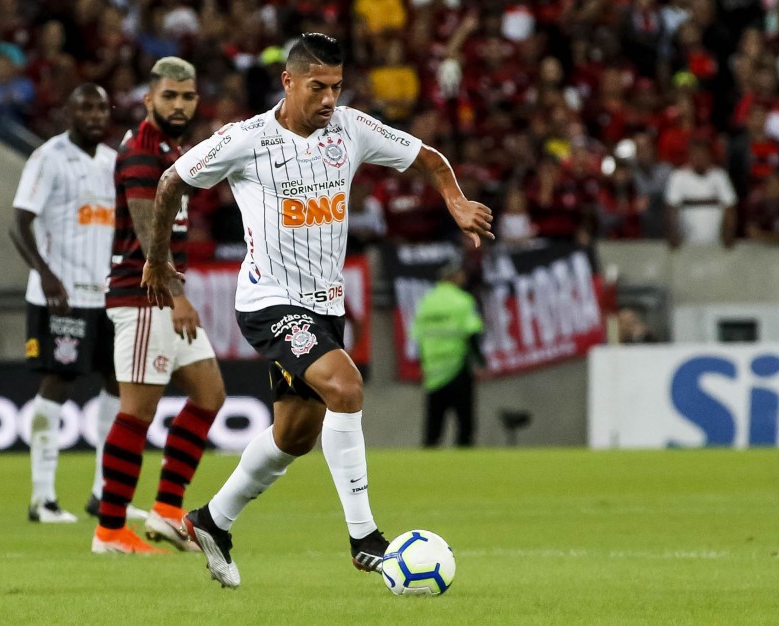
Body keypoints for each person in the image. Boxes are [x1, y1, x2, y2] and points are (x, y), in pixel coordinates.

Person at [141, 33, 494, 587]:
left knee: (294, 436)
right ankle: (364, 538)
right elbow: (169, 182)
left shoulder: (350, 129)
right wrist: (158, 261)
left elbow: (428, 157)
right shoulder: (246, 139)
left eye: (336, 86)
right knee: (346, 387)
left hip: (323, 307)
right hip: (269, 303)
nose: (330, 99)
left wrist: (454, 198)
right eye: (318, 87)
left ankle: (211, 519)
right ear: (288, 82)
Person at [90, 57, 226, 555]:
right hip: (144, 296)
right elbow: (151, 235)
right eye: (170, 96)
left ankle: (167, 513)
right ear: (149, 99)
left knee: (210, 394)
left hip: (161, 298)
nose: (179, 104)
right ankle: (109, 530)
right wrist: (179, 297)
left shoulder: (172, 148)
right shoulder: (143, 153)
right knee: (137, 413)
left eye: (187, 97)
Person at [9, 83, 134, 523]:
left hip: (106, 294)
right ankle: (42, 498)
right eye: (87, 107)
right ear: (69, 112)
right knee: (58, 383)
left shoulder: (112, 160)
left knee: (118, 382)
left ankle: (105, 493)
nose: (97, 115)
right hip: (60, 296)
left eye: (102, 107)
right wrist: (46, 274)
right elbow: (20, 222)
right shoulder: (48, 158)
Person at [411, 261, 485, 448]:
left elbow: (418, 337)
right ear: (454, 276)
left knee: (433, 423)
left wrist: (422, 364)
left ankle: (428, 464)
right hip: (457, 366)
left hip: (433, 370)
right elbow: (472, 332)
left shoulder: (427, 302)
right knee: (464, 422)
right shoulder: (463, 300)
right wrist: (480, 361)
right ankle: (464, 463)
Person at [665, 138, 738, 248]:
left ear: (710, 156)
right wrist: (673, 236)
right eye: (695, 155)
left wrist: (728, 236)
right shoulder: (678, 177)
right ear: (689, 156)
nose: (699, 158)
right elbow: (671, 208)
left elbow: (730, 208)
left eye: (703, 155)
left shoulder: (720, 176)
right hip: (686, 243)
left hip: (716, 243)